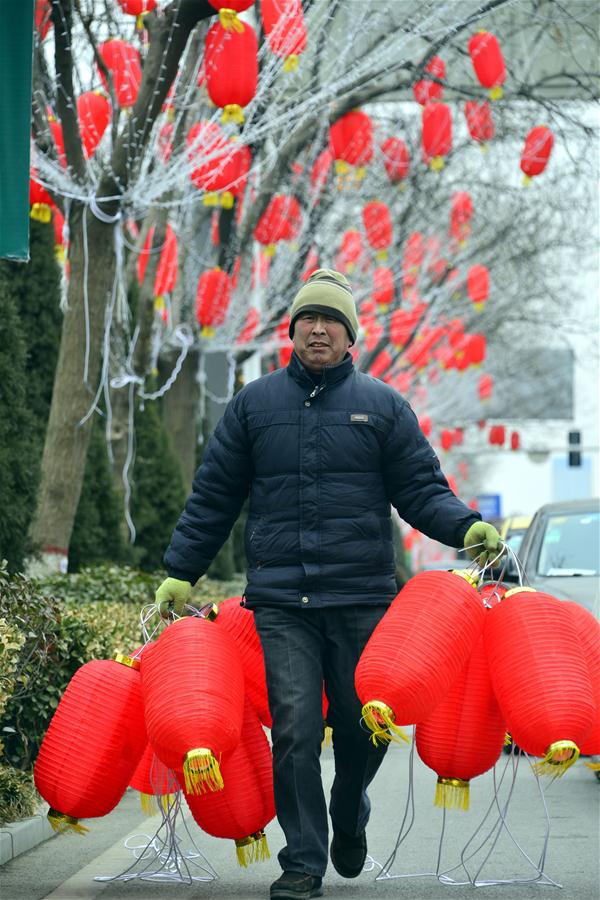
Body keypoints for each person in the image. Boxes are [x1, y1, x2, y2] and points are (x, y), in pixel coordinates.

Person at [155, 269, 502, 900]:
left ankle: (349, 805)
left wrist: (466, 527)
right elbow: (213, 498)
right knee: (294, 727)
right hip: (283, 601)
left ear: (350, 338)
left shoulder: (383, 406)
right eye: (308, 320)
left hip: (363, 596)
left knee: (362, 723)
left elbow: (421, 490)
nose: (318, 329)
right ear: (293, 332)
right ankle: (303, 860)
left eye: (331, 321)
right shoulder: (254, 406)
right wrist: (181, 572)